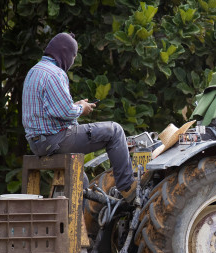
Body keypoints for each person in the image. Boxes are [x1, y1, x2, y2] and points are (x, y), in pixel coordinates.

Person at [22, 32, 134, 193]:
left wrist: (76, 105)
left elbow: (52, 109)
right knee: (114, 131)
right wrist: (82, 108)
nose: (73, 61)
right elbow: (67, 112)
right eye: (73, 56)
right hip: (56, 140)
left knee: (82, 180)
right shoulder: (55, 73)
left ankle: (75, 217)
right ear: (65, 53)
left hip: (36, 143)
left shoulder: (34, 71)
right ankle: (127, 187)